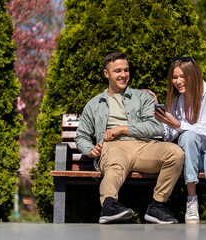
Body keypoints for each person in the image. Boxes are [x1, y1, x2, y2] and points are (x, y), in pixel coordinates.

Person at [75, 52, 184, 224]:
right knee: (115, 166)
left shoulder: (143, 97)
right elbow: (81, 135)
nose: (123, 75)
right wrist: (89, 148)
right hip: (113, 147)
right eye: (117, 71)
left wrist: (122, 129)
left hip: (144, 147)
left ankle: (157, 205)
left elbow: (155, 127)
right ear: (106, 74)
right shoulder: (95, 104)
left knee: (175, 153)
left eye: (126, 70)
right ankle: (109, 204)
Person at [150, 56, 206, 224]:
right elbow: (168, 136)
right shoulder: (176, 99)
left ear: (193, 76)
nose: (178, 81)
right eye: (174, 77)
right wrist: (162, 118)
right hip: (192, 159)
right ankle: (192, 201)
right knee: (188, 136)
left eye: (183, 77)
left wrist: (176, 123)